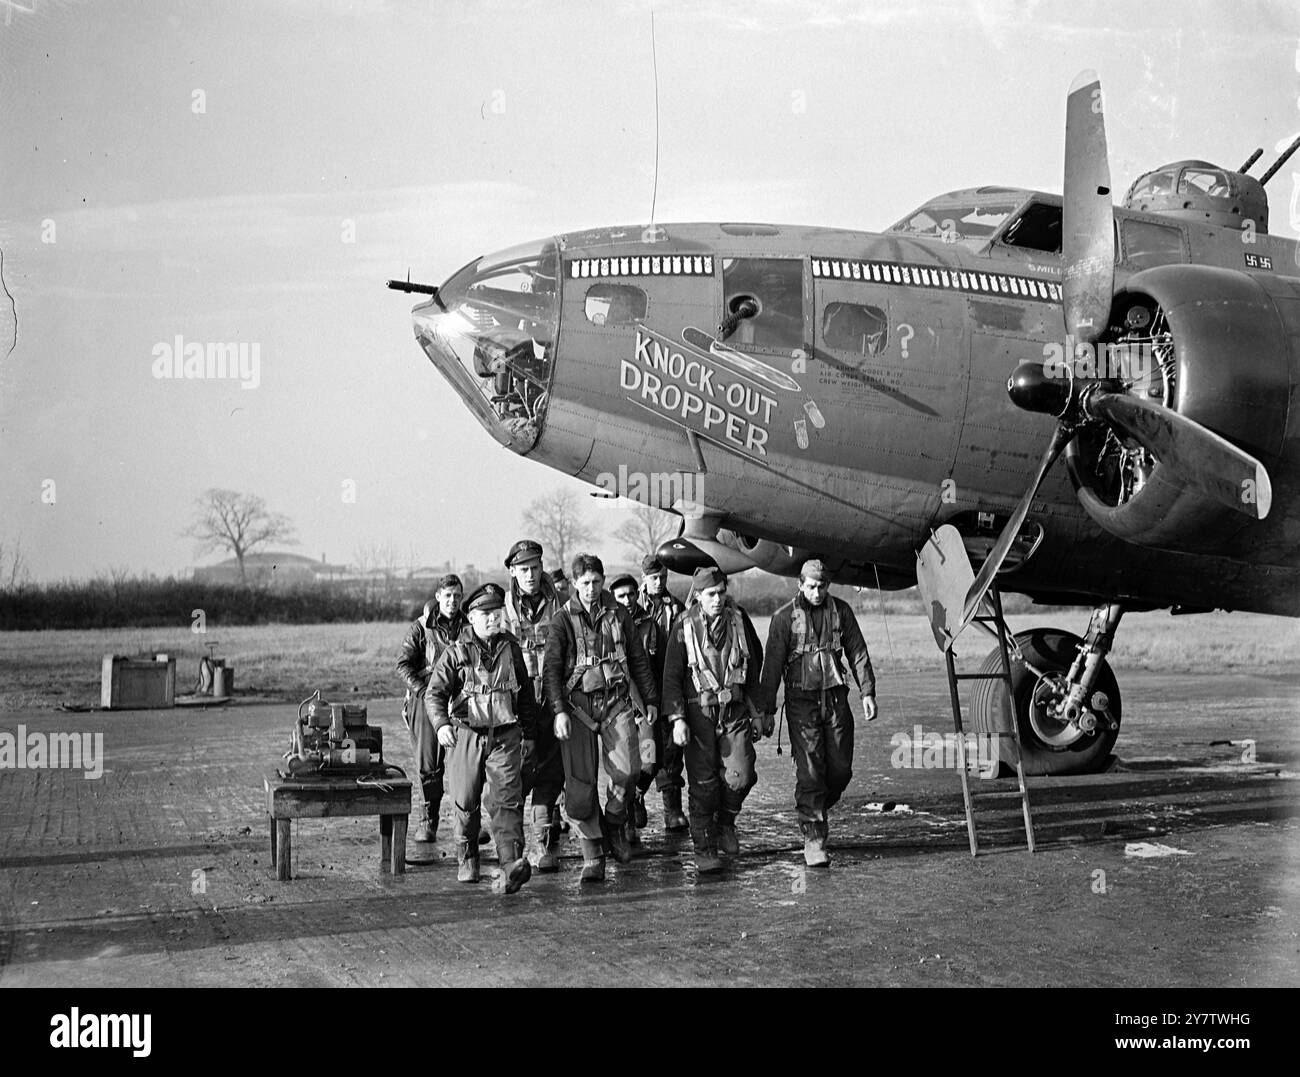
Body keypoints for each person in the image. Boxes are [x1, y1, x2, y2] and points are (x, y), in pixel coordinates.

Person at [543, 553, 660, 883]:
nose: (591, 589)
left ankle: (615, 822)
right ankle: (593, 855)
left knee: (628, 770)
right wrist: (559, 711)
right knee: (580, 790)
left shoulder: (619, 613)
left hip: (616, 702)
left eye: (596, 582)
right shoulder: (562, 620)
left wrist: (649, 698)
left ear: (603, 580)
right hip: (578, 708)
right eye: (584, 583)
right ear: (574, 584)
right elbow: (551, 669)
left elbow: (637, 658)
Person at [757, 559, 877, 868]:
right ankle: (814, 838)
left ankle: (815, 808)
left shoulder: (842, 612)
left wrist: (868, 692)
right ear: (800, 584)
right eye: (811, 586)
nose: (817, 592)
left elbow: (857, 651)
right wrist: (766, 710)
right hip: (801, 702)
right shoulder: (784, 618)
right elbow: (771, 667)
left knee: (840, 771)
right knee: (810, 772)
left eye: (822, 586)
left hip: (836, 698)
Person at [425, 583, 539, 893]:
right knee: (465, 800)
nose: (493, 620)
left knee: (508, 800)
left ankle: (511, 863)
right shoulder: (456, 652)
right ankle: (468, 856)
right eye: (485, 614)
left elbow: (525, 695)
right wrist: (441, 725)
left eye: (497, 614)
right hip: (465, 734)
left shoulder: (511, 649)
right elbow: (434, 694)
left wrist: (529, 734)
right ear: (471, 618)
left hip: (505, 736)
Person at [660, 566, 766, 873]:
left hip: (734, 711)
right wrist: (678, 719)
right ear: (699, 596)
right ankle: (704, 848)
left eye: (722, 592)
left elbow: (753, 664)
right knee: (704, 784)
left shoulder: (739, 620)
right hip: (698, 714)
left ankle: (726, 822)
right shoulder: (683, 625)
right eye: (710, 594)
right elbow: (672, 677)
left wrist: (758, 711)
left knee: (742, 775)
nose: (718, 599)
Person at [502, 538, 566, 871]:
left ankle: (544, 843)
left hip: (554, 699)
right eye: (524, 569)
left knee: (551, 772)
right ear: (513, 571)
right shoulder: (500, 610)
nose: (530, 574)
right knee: (517, 774)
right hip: (517, 706)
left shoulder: (561, 602)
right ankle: (511, 848)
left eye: (535, 567)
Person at [395, 575, 469, 854]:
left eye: (457, 596)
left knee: (465, 762)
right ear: (438, 596)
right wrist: (426, 692)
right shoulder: (421, 628)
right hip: (425, 700)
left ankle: (467, 820)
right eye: (448, 595)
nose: (452, 601)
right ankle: (428, 820)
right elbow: (402, 665)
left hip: (461, 701)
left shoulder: (468, 626)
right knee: (429, 764)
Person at [609, 574, 666, 845]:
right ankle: (626, 818)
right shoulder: (607, 626)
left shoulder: (651, 626)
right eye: (621, 596)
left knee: (650, 761)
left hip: (645, 706)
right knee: (625, 767)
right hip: (618, 706)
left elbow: (661, 665)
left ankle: (638, 795)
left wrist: (657, 701)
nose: (628, 600)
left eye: (631, 594)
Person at [638, 554, 688, 831]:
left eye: (663, 577)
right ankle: (637, 801)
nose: (659, 583)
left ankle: (673, 809)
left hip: (667, 682)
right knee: (645, 750)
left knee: (672, 750)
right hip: (640, 689)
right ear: (644, 577)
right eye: (654, 577)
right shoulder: (631, 605)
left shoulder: (676, 608)